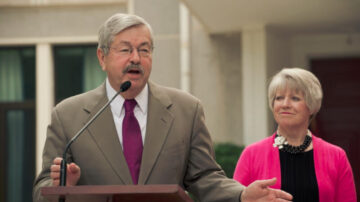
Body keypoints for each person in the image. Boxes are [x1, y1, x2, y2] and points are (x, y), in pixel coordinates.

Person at [33, 13, 293, 202]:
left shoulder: (186, 110)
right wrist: (61, 187)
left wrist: (242, 194)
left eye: (144, 50)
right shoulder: (68, 115)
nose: (136, 58)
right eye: (126, 49)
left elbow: (204, 177)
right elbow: (41, 189)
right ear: (102, 57)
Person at [233, 68, 357, 202]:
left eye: (295, 98)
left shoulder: (336, 157)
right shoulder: (251, 155)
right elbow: (236, 199)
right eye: (279, 98)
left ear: (312, 106)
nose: (285, 104)